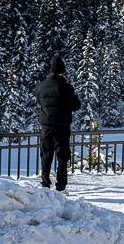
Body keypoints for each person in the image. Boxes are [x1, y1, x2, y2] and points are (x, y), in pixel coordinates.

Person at [34, 56, 81, 192]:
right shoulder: (66, 87)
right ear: (62, 71)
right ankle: (60, 186)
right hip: (62, 127)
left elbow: (40, 103)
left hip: (46, 126)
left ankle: (45, 183)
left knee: (46, 154)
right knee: (62, 156)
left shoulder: (40, 87)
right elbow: (75, 105)